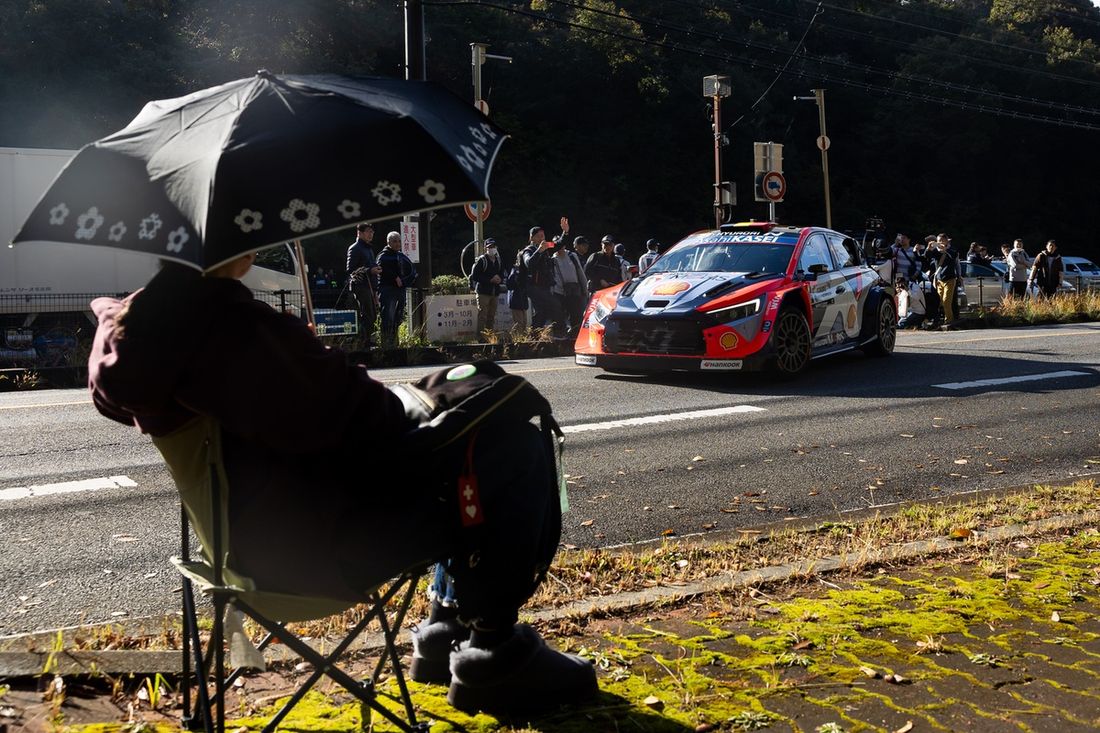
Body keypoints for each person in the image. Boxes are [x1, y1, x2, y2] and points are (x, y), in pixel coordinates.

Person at [85, 254, 598, 715]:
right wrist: (314, 355)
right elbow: (376, 420)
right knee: (507, 447)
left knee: (464, 455)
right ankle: (492, 653)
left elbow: (297, 414)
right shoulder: (238, 332)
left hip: (241, 548)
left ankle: (444, 631)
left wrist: (302, 357)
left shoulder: (136, 328)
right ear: (230, 244)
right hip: (315, 556)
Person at [522, 220, 569, 337]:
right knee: (554, 306)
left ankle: (534, 336)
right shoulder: (528, 250)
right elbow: (529, 263)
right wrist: (539, 251)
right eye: (538, 236)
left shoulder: (547, 246)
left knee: (542, 312)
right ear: (532, 238)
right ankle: (560, 332)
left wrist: (565, 232)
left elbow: (559, 244)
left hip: (545, 286)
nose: (542, 238)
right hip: (534, 287)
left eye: (543, 236)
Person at [377, 231, 417, 346]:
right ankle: (386, 344)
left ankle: (394, 343)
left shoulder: (401, 256)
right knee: (388, 317)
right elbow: (381, 269)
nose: (398, 244)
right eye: (394, 241)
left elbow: (411, 270)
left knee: (398, 317)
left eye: (399, 241)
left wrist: (405, 281)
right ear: (388, 242)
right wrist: (395, 277)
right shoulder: (383, 256)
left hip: (400, 290)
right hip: (388, 290)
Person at [346, 223, 381, 347]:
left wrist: (375, 289)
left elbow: (371, 268)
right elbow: (350, 270)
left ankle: (367, 342)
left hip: (370, 286)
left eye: (372, 232)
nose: (371, 234)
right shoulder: (354, 248)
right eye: (368, 231)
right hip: (361, 286)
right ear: (359, 233)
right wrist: (370, 270)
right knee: (367, 315)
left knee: (372, 315)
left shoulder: (368, 248)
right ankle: (364, 343)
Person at [468, 238, 505, 337]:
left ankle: (489, 337)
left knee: (491, 316)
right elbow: (475, 276)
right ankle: (480, 338)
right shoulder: (482, 260)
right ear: (485, 248)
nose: (492, 249)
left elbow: (502, 273)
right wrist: (490, 280)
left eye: (493, 246)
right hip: (483, 292)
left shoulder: (498, 260)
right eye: (489, 247)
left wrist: (500, 278)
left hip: (495, 292)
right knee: (482, 316)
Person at [551, 244, 589, 337]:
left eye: (561, 247)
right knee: (559, 316)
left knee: (576, 315)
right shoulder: (553, 259)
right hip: (558, 292)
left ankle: (575, 336)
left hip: (574, 290)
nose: (561, 250)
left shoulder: (572, 256)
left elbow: (580, 272)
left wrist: (585, 289)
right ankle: (561, 335)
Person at [932, 233, 960, 325]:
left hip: (950, 278)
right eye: (938, 241)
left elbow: (954, 258)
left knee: (946, 301)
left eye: (942, 240)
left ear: (946, 241)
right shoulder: (936, 251)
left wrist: (945, 250)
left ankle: (949, 320)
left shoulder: (952, 250)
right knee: (939, 301)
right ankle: (939, 318)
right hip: (939, 279)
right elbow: (927, 256)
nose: (940, 242)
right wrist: (928, 248)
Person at [505, 248, 529, 334]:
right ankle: (518, 339)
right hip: (516, 300)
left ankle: (522, 339)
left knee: (524, 323)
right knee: (519, 323)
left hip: (523, 300)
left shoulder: (525, 271)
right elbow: (509, 284)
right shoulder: (515, 270)